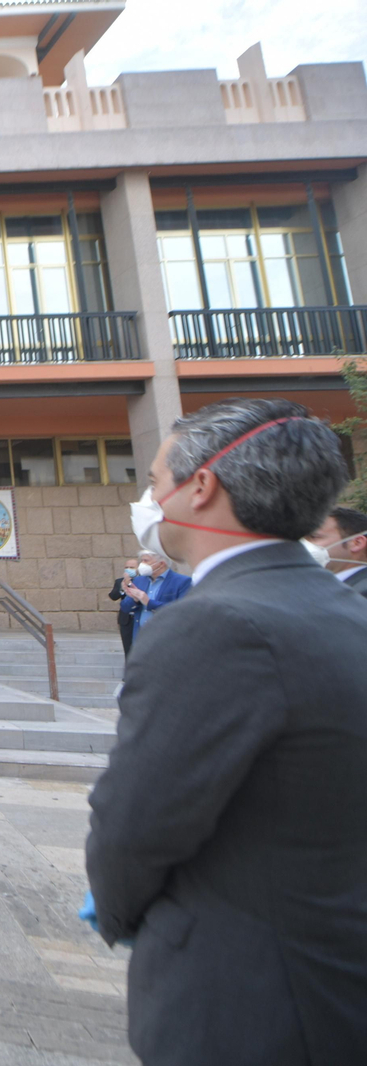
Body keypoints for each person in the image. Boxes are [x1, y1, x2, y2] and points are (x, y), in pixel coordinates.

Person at [85, 398, 367, 1064]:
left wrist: (117, 914)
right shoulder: (340, 606)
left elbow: (134, 825)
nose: (151, 502)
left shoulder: (218, 625)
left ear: (201, 487)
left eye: (154, 483)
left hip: (251, 1004)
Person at [123, 550, 190, 639]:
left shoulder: (182, 581)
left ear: (161, 564)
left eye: (146, 561)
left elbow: (182, 611)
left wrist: (149, 602)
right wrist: (134, 600)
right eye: (141, 561)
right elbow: (125, 607)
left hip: (166, 638)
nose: (142, 564)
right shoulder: (139, 580)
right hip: (141, 637)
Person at [308, 505, 367, 596]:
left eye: (314, 537)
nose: (302, 545)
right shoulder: (320, 586)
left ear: (357, 543)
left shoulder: (361, 593)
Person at [106, 558, 141, 656]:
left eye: (132, 567)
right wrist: (122, 587)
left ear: (138, 568)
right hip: (126, 619)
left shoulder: (143, 580)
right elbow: (113, 596)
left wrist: (130, 584)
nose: (129, 569)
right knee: (128, 648)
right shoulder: (119, 581)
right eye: (126, 567)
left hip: (139, 617)